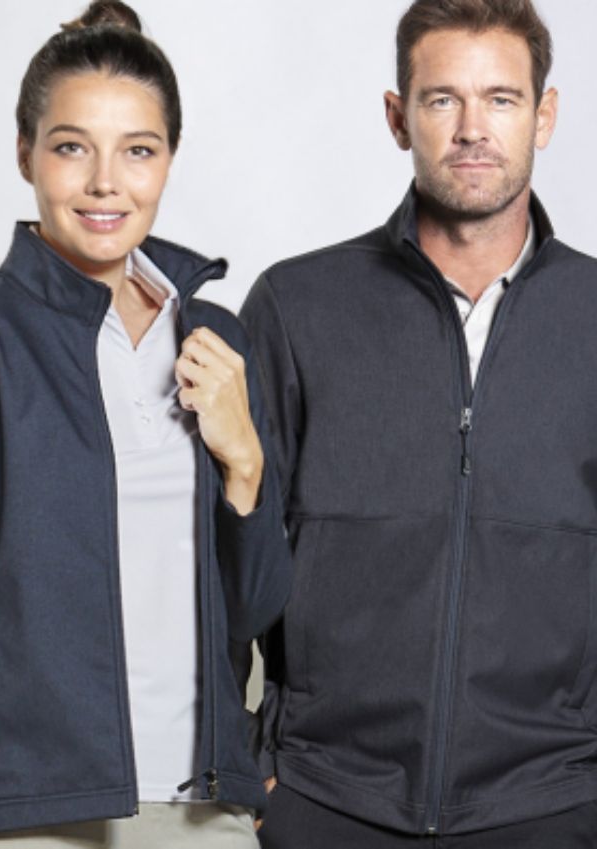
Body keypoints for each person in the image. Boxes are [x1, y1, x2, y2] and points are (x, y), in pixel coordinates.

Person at [241, 0, 597, 846]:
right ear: (399, 117)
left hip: (551, 803)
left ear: (545, 115)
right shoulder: (297, 306)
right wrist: (240, 760)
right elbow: (228, 542)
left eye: (502, 98)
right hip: (325, 798)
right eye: (443, 99)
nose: (473, 128)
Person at [0, 1, 291, 846]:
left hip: (205, 804)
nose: (105, 183)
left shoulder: (214, 337)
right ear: (25, 153)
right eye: (71, 147)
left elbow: (254, 607)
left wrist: (244, 463)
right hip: (34, 807)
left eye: (137, 150)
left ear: (169, 158)